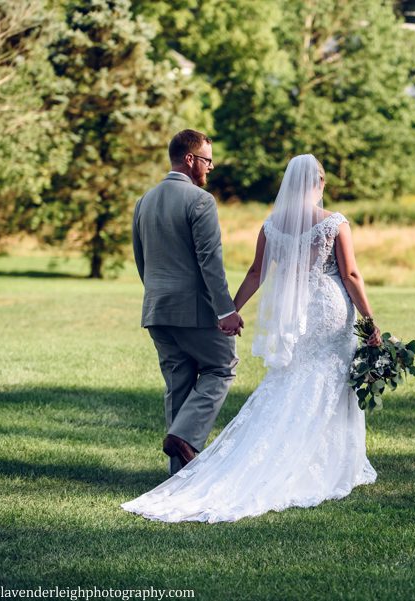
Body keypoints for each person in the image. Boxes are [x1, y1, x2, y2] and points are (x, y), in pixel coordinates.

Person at [122, 154, 379, 522]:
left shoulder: (272, 225)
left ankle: (195, 452)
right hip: (329, 311)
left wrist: (230, 310)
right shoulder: (334, 223)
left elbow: (257, 272)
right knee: (330, 382)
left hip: (297, 318)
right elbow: (351, 274)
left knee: (293, 380)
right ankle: (331, 463)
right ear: (319, 184)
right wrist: (371, 322)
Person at [132, 129, 243, 477]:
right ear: (190, 159)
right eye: (208, 161)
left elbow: (141, 259)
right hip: (194, 310)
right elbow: (210, 260)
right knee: (221, 368)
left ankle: (178, 476)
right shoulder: (200, 200)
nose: (211, 168)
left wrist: (157, 296)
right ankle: (184, 436)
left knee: (178, 384)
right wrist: (226, 311)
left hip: (156, 309)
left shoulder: (144, 201)